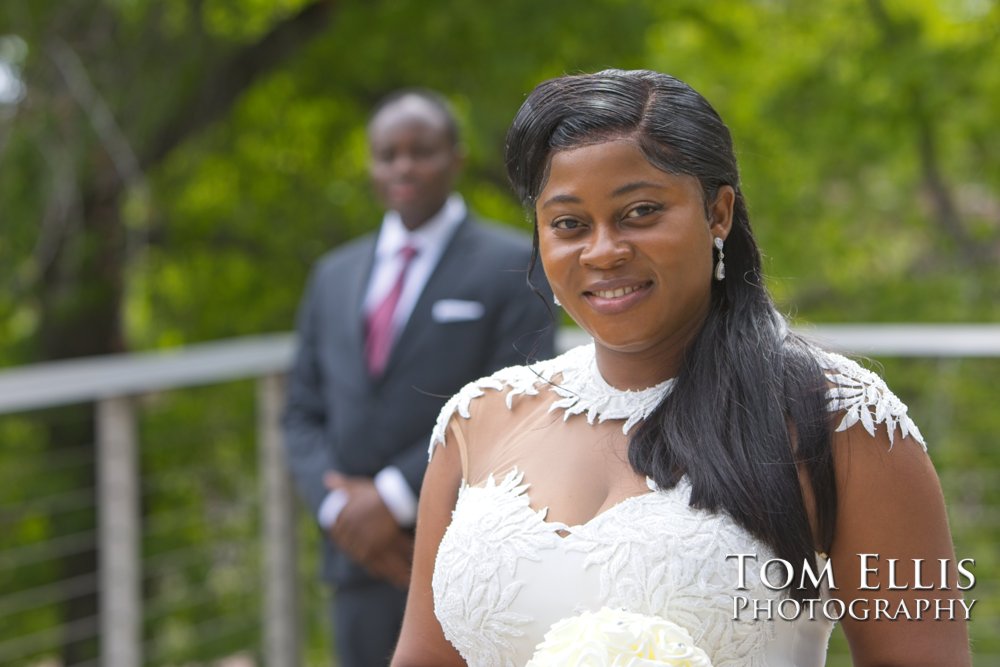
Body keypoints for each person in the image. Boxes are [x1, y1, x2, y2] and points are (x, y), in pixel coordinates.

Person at [391, 70, 971, 666]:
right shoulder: (479, 421)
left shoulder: (842, 423)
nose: (603, 250)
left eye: (640, 212)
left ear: (717, 213)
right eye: (569, 224)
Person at [282, 88, 555, 667]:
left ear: (455, 158)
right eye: (387, 154)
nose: (403, 166)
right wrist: (342, 514)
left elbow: (516, 404)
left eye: (421, 150)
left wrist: (393, 497)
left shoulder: (513, 265)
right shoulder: (332, 275)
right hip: (356, 557)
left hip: (465, 553)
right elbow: (301, 410)